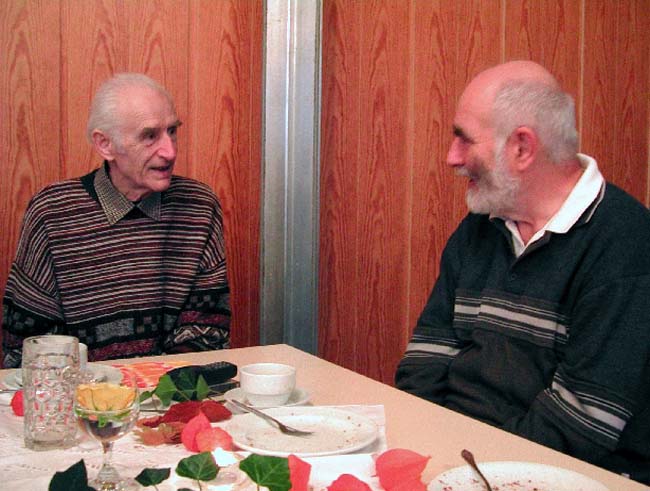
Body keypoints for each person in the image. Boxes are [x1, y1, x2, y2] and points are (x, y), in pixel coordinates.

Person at [395, 61, 650, 484]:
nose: (451, 157)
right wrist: (424, 449)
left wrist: (467, 471)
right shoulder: (481, 226)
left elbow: (581, 424)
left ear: (522, 148)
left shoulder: (626, 246)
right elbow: (427, 357)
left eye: (464, 139)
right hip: (459, 462)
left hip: (560, 476)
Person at [2, 73, 231, 368]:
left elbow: (209, 332)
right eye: (149, 136)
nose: (170, 151)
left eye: (172, 131)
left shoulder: (199, 205)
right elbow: (27, 346)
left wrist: (151, 387)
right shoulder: (53, 212)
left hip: (171, 389)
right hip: (81, 391)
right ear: (105, 145)